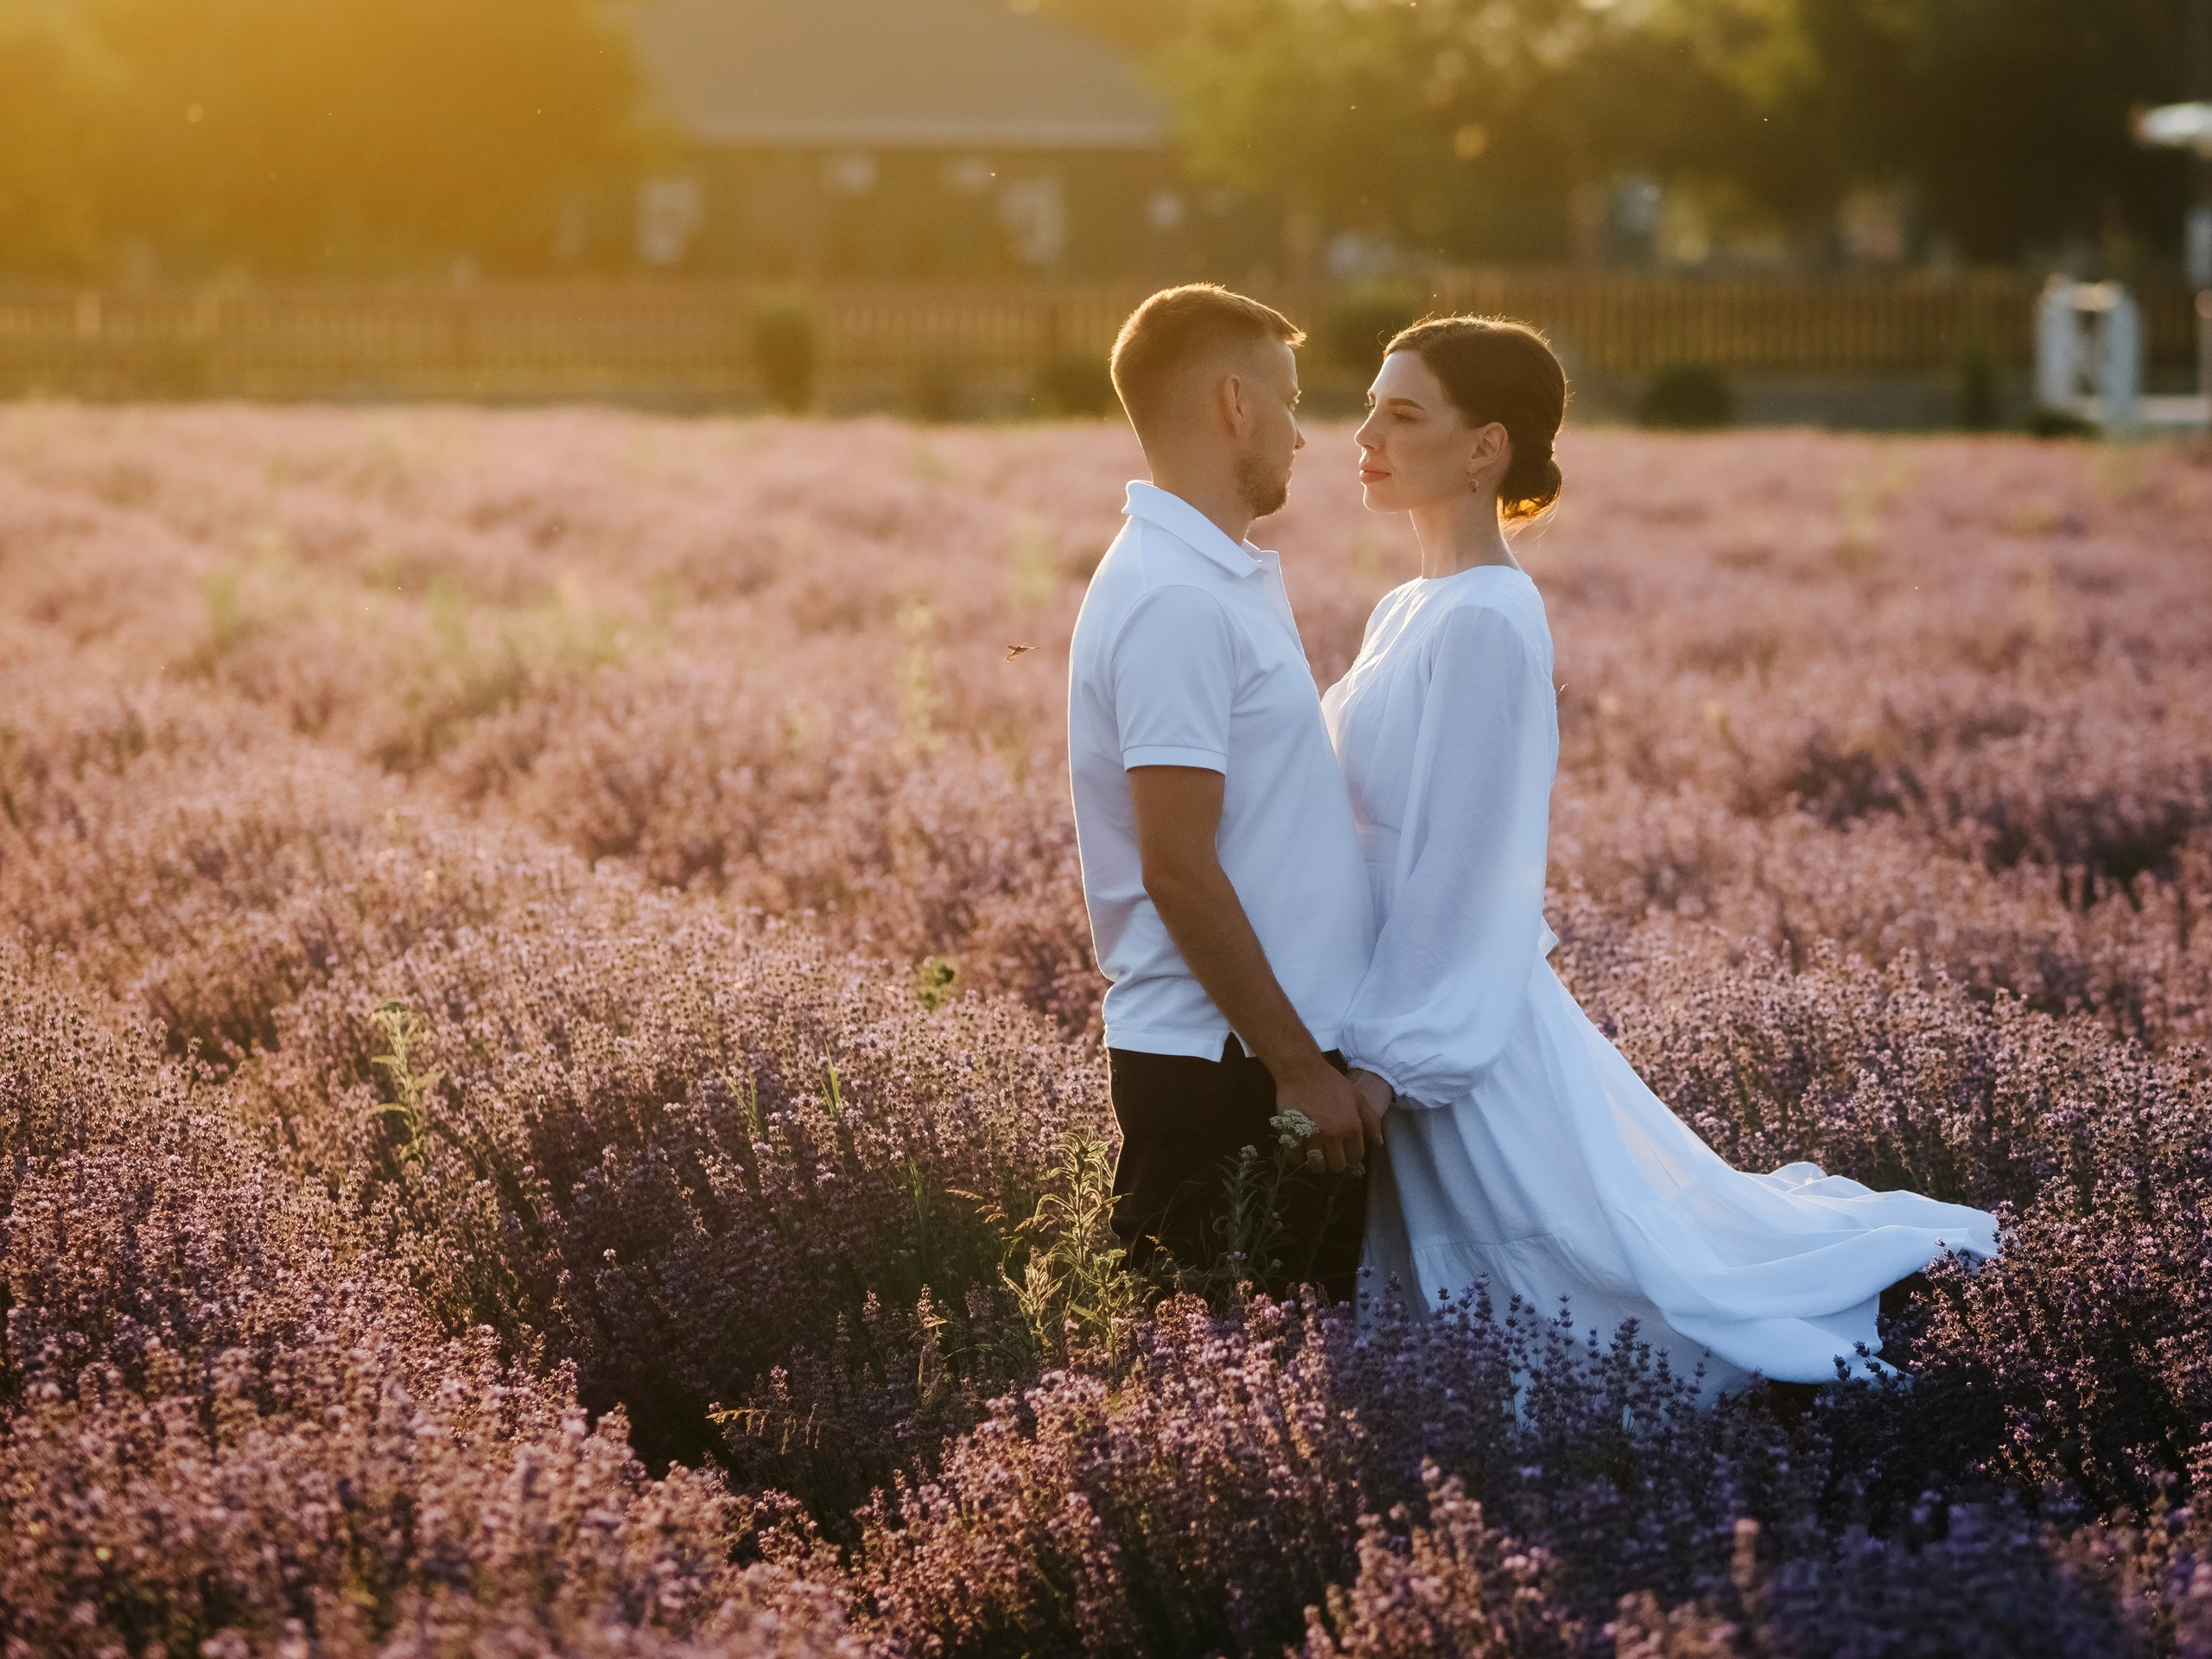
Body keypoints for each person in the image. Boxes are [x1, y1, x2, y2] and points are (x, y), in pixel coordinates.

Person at [1327, 315, 1999, 1391]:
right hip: (1398, 995)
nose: (1365, 434)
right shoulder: (1407, 605)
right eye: (1370, 406)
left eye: (1402, 414)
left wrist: (1388, 1059)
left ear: (1485, 448)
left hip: (1442, 1018)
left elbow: (1471, 862)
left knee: (1588, 1300)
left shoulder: (1486, 617)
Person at [1067, 284, 1395, 1300]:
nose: (1301, 433)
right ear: (1234, 404)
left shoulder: (1211, 578)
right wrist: (1296, 1068)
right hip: (1229, 1072)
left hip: (1260, 1058)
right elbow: (1176, 866)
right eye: (1288, 400)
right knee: (1210, 1368)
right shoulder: (1173, 598)